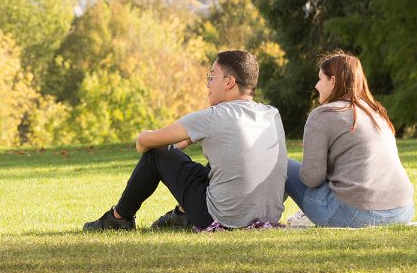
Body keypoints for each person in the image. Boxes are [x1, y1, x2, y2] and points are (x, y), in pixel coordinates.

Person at [82, 50, 287, 231]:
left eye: (211, 77)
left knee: (157, 152)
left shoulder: (215, 116)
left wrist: (157, 143)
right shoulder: (271, 114)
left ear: (229, 82)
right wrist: (185, 141)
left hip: (220, 218)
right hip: (267, 217)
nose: (207, 84)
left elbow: (145, 142)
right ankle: (180, 215)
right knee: (223, 160)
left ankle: (118, 218)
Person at [284, 52, 414, 227]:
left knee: (284, 165)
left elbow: (311, 179)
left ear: (333, 80)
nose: (316, 85)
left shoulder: (322, 115)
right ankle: (308, 213)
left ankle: (261, 219)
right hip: (402, 211)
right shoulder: (375, 112)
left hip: (356, 215)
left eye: (320, 79)